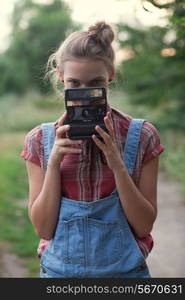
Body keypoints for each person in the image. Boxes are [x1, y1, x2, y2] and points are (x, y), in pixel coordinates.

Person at [20, 21, 164, 278]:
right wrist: (53, 163)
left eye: (95, 84)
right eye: (74, 84)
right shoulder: (39, 140)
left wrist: (117, 163)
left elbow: (143, 226)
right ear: (60, 76)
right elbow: (43, 229)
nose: (83, 94)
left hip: (125, 275)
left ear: (111, 74)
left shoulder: (142, 136)